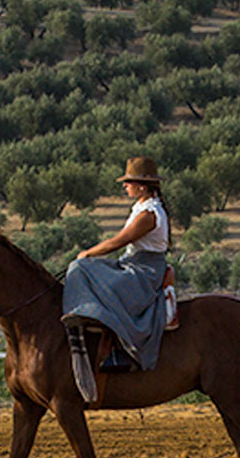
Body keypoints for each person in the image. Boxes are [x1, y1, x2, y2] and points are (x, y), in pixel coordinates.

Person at [61, 156, 171, 403]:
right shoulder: (143, 207)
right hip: (132, 264)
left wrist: (87, 254)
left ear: (142, 185)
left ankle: (118, 349)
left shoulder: (149, 214)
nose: (125, 186)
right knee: (86, 271)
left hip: (144, 272)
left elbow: (120, 241)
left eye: (129, 182)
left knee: (83, 270)